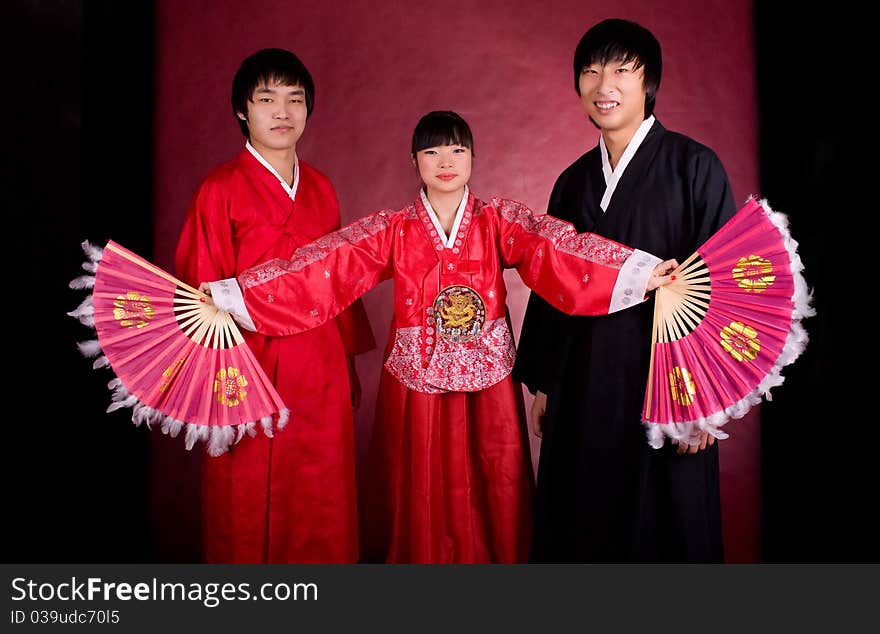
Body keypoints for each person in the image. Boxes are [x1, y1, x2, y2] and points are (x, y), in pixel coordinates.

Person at [206, 110, 677, 563]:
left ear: (473, 157)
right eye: (432, 152)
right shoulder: (392, 230)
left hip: (487, 384)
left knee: (496, 475)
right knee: (418, 484)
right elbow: (323, 265)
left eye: (457, 150)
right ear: (414, 163)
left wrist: (642, 271)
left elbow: (560, 248)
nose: (446, 162)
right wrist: (232, 295)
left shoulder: (498, 222)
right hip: (417, 385)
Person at [513, 18, 736, 563]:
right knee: (582, 523)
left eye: (620, 70)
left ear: (648, 83)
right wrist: (545, 382)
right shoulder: (572, 181)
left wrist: (703, 400)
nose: (603, 85)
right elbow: (551, 282)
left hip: (665, 384)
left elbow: (727, 284)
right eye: (590, 72)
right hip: (584, 380)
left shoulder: (694, 167)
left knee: (666, 524)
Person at [174, 48, 375, 563]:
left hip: (321, 366)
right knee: (245, 498)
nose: (282, 111)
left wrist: (348, 365)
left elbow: (340, 283)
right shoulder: (218, 191)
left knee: (321, 494)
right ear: (243, 109)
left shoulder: (322, 189)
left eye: (294, 99)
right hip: (246, 366)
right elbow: (196, 293)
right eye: (267, 99)